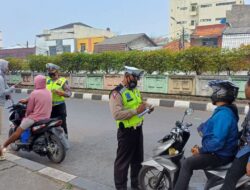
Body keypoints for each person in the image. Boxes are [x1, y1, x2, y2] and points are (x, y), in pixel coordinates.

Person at [174, 80, 239, 190]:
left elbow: (217, 141)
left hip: (220, 155)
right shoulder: (225, 111)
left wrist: (202, 150)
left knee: (187, 163)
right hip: (222, 152)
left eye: (214, 91)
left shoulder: (224, 115)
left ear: (220, 94)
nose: (212, 94)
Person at [109, 66, 154, 190]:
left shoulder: (135, 90)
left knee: (137, 161)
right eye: (134, 78)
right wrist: (135, 111)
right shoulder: (116, 93)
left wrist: (148, 106)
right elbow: (116, 115)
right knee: (122, 163)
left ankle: (136, 185)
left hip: (138, 130)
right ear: (126, 76)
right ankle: (121, 187)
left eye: (137, 79)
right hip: (126, 132)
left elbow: (141, 103)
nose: (136, 81)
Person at [0, 75, 52, 158]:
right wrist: (27, 100)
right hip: (47, 116)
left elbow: (29, 109)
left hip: (35, 118)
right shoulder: (48, 91)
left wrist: (26, 115)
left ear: (37, 83)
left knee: (18, 131)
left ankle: (3, 146)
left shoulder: (34, 93)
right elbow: (40, 99)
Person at [220, 79, 250, 190]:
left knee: (231, 177)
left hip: (247, 150)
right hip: (243, 146)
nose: (245, 88)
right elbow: (246, 130)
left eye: (247, 85)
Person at [46, 63, 71, 139]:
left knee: (62, 124)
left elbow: (69, 93)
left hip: (59, 106)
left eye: (52, 70)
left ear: (57, 71)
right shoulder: (47, 80)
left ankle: (65, 139)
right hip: (48, 107)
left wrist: (62, 93)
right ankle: (51, 140)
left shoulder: (62, 81)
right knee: (48, 124)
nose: (50, 72)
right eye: (49, 71)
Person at [0, 59, 18, 136]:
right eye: (6, 66)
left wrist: (8, 93)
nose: (7, 68)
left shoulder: (3, 77)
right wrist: (12, 88)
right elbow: (2, 92)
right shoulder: (0, 78)